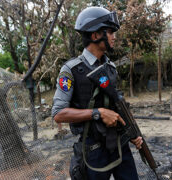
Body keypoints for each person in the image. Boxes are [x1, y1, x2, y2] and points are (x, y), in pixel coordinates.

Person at [52, 7, 142, 180]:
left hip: (118, 143)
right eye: (110, 32)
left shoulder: (111, 68)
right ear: (95, 35)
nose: (114, 37)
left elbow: (117, 105)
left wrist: (132, 133)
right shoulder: (71, 70)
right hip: (92, 149)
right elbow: (58, 114)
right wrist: (98, 113)